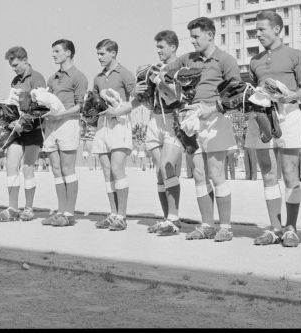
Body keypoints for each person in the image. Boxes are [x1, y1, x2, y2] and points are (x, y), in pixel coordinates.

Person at [164, 17, 244, 243]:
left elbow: (237, 93)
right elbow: (164, 73)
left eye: (196, 36)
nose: (193, 41)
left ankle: (226, 227)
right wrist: (176, 92)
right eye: (191, 37)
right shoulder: (188, 59)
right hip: (191, 118)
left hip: (215, 118)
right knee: (199, 174)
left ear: (210, 35)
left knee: (216, 173)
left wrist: (215, 106)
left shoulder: (226, 60)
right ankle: (207, 225)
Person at [245, 10, 301, 248]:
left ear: (276, 29)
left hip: (289, 115)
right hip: (263, 117)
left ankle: (291, 229)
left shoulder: (295, 55)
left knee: (289, 172)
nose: (257, 34)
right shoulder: (254, 61)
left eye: (261, 29)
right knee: (268, 173)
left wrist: (293, 95)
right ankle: (274, 228)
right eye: (256, 30)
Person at [137, 30, 185, 236]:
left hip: (173, 120)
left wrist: (161, 81)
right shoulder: (154, 68)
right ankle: (168, 218)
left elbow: (180, 96)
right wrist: (141, 90)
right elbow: (149, 101)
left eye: (161, 47)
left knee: (167, 167)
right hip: (155, 120)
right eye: (157, 47)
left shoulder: (181, 68)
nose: (158, 51)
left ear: (173, 47)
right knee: (159, 171)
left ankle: (174, 218)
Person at [0, 46, 46, 222]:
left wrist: (23, 123)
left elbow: (40, 107)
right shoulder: (15, 81)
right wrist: (10, 121)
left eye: (16, 65)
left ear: (25, 60)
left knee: (28, 168)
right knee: (10, 166)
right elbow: (12, 107)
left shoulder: (37, 78)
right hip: (16, 130)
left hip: (33, 129)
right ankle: (13, 208)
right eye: (11, 65)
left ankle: (29, 208)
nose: (14, 68)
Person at [41, 39, 88, 227]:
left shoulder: (79, 77)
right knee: (56, 169)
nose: (53, 54)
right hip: (51, 125)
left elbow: (82, 106)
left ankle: (69, 214)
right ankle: (60, 211)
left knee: (68, 169)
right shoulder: (52, 78)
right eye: (53, 51)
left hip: (68, 123)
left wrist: (60, 114)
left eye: (57, 51)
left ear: (68, 53)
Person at [92, 39, 136, 232]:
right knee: (107, 170)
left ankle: (122, 216)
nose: (99, 57)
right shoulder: (98, 77)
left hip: (120, 124)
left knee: (118, 168)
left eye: (102, 54)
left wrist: (117, 112)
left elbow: (136, 100)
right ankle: (113, 213)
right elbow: (94, 103)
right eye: (98, 54)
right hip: (102, 126)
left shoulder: (125, 74)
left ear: (113, 53)